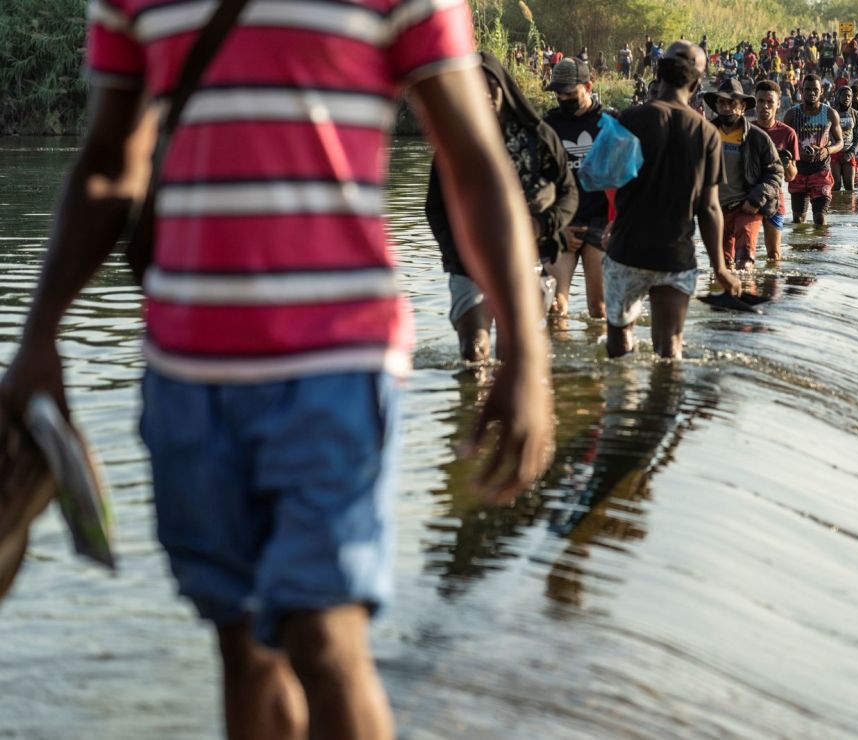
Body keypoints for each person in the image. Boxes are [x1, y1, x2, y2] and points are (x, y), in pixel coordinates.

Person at [0, 2, 556, 739]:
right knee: (242, 645)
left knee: (324, 640)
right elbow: (109, 163)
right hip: (186, 370)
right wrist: (38, 338)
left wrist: (526, 353)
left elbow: (475, 162)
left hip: (338, 362)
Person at [426, 53, 578, 361]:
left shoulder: (537, 136)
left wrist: (543, 225)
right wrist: (453, 253)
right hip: (469, 260)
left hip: (527, 255)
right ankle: (474, 405)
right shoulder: (455, 141)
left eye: (489, 85)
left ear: (504, 88)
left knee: (517, 353)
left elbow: (568, 191)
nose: (482, 93)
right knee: (474, 349)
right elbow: (436, 207)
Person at [603, 41, 742, 359]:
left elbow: (608, 179)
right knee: (670, 349)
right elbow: (709, 208)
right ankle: (663, 406)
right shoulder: (707, 134)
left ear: (659, 73)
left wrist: (611, 220)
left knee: (619, 345)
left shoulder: (629, 120)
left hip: (627, 250)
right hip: (674, 256)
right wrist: (720, 268)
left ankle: (619, 402)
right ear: (696, 84)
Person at [543, 57, 608, 319]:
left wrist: (617, 224)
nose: (563, 99)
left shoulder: (610, 123)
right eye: (558, 94)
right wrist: (556, 226)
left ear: (588, 86)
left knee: (599, 309)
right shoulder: (547, 126)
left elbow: (628, 180)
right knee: (554, 307)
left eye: (570, 93)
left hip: (601, 224)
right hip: (562, 224)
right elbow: (539, 182)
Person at [705, 79, 784, 271]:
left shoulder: (757, 138)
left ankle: (747, 297)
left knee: (745, 262)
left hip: (746, 207)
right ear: (716, 106)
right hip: (716, 211)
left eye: (732, 104)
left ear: (742, 108)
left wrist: (757, 198)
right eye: (722, 103)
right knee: (720, 267)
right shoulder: (704, 134)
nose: (727, 108)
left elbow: (776, 172)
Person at [782, 74, 844, 225]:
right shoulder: (791, 114)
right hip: (798, 171)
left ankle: (820, 247)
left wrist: (827, 150)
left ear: (821, 91)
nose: (811, 93)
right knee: (798, 221)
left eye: (815, 89)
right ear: (801, 91)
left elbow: (840, 142)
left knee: (820, 219)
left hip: (821, 170)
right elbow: (783, 144)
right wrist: (798, 154)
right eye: (807, 89)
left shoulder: (830, 114)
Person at [752, 80, 800, 262]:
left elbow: (791, 176)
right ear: (755, 103)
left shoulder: (788, 133)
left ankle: (772, 288)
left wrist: (786, 162)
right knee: (746, 254)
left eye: (770, 102)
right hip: (748, 198)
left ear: (778, 104)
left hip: (774, 199)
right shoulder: (746, 130)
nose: (765, 106)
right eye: (760, 101)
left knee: (774, 255)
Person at [830, 86, 858, 191]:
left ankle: (849, 207)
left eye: (849, 96)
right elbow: (826, 133)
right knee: (836, 187)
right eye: (844, 95)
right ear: (838, 97)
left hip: (849, 153)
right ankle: (835, 207)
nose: (847, 98)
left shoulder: (855, 114)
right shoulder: (831, 113)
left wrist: (851, 153)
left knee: (850, 188)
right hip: (834, 152)